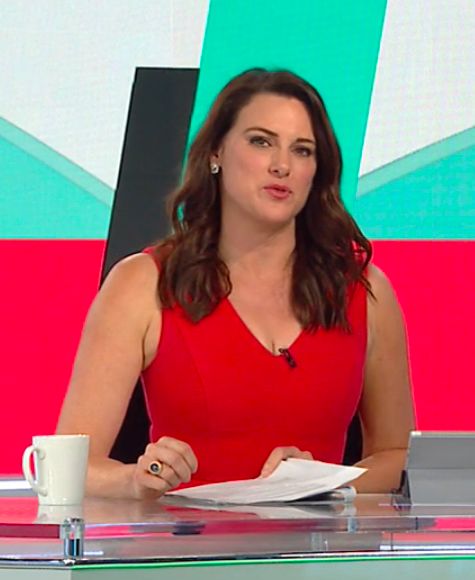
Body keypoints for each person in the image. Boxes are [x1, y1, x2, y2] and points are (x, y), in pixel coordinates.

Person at [56, 68, 414, 500]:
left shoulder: (365, 291)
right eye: (261, 141)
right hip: (185, 542)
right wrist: (136, 480)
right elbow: (70, 466)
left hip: (319, 543)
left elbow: (399, 455)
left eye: (302, 150)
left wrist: (323, 483)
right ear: (216, 153)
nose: (282, 165)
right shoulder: (142, 283)